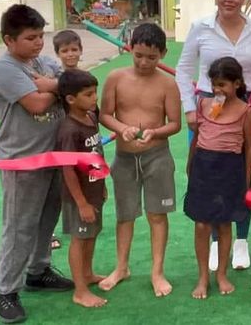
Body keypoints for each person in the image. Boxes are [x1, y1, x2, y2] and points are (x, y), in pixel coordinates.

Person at [176, 0, 251, 271]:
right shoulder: (201, 27)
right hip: (210, 105)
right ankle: (217, 241)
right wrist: (190, 109)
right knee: (211, 173)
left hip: (248, 107)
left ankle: (241, 239)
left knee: (243, 172)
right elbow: (183, 69)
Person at [0, 5, 72, 323]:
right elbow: (36, 102)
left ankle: (38, 271)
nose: (38, 43)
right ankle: (6, 291)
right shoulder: (3, 69)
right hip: (23, 162)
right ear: (9, 40)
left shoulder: (42, 62)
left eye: (40, 36)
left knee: (46, 220)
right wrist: (56, 88)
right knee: (19, 227)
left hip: (54, 155)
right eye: (30, 38)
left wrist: (52, 84)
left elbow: (70, 79)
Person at [99, 22, 182, 297]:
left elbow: (175, 123)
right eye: (139, 55)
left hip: (157, 156)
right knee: (125, 215)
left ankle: (157, 272)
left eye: (152, 57)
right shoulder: (115, 78)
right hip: (124, 157)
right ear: (130, 48)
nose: (144, 62)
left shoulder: (168, 84)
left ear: (163, 54)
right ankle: (121, 267)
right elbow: (105, 114)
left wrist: (154, 132)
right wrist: (121, 128)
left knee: (157, 214)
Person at [184, 57, 251, 299]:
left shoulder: (246, 111)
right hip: (203, 167)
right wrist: (190, 162)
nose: (217, 90)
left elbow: (249, 148)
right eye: (214, 84)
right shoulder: (205, 103)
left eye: (223, 85)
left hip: (230, 170)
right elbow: (197, 136)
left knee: (224, 223)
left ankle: (221, 274)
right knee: (202, 224)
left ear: (237, 84)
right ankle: (203, 276)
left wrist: (246, 180)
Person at [56, 69, 107, 308]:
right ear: (70, 99)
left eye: (95, 92)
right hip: (79, 197)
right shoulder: (69, 129)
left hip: (94, 190)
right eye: (88, 94)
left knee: (92, 234)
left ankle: (87, 274)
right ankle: (80, 290)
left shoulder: (91, 118)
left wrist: (102, 184)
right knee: (79, 238)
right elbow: (67, 170)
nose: (94, 98)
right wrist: (82, 202)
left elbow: (96, 154)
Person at [50, 28, 86, 252]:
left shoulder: (84, 77)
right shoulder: (56, 81)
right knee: (59, 186)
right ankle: (51, 230)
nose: (70, 54)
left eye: (74, 49)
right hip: (62, 136)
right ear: (58, 53)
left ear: (81, 51)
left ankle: (82, 217)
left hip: (82, 138)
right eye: (65, 51)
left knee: (82, 181)